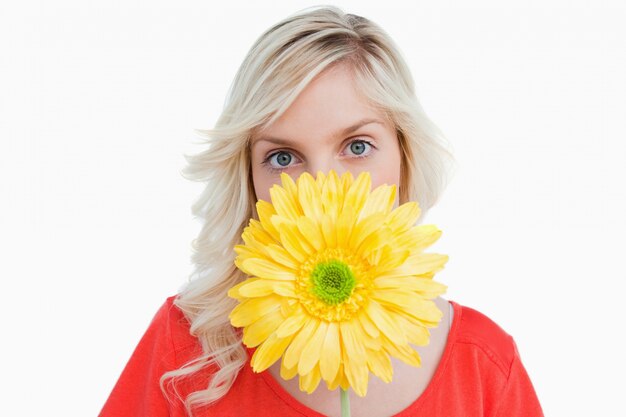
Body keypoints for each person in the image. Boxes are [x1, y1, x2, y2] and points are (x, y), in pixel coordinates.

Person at [100, 5, 543, 417]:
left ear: (406, 157)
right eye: (283, 158)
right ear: (248, 178)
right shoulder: (186, 348)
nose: (322, 187)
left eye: (356, 147)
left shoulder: (486, 366)